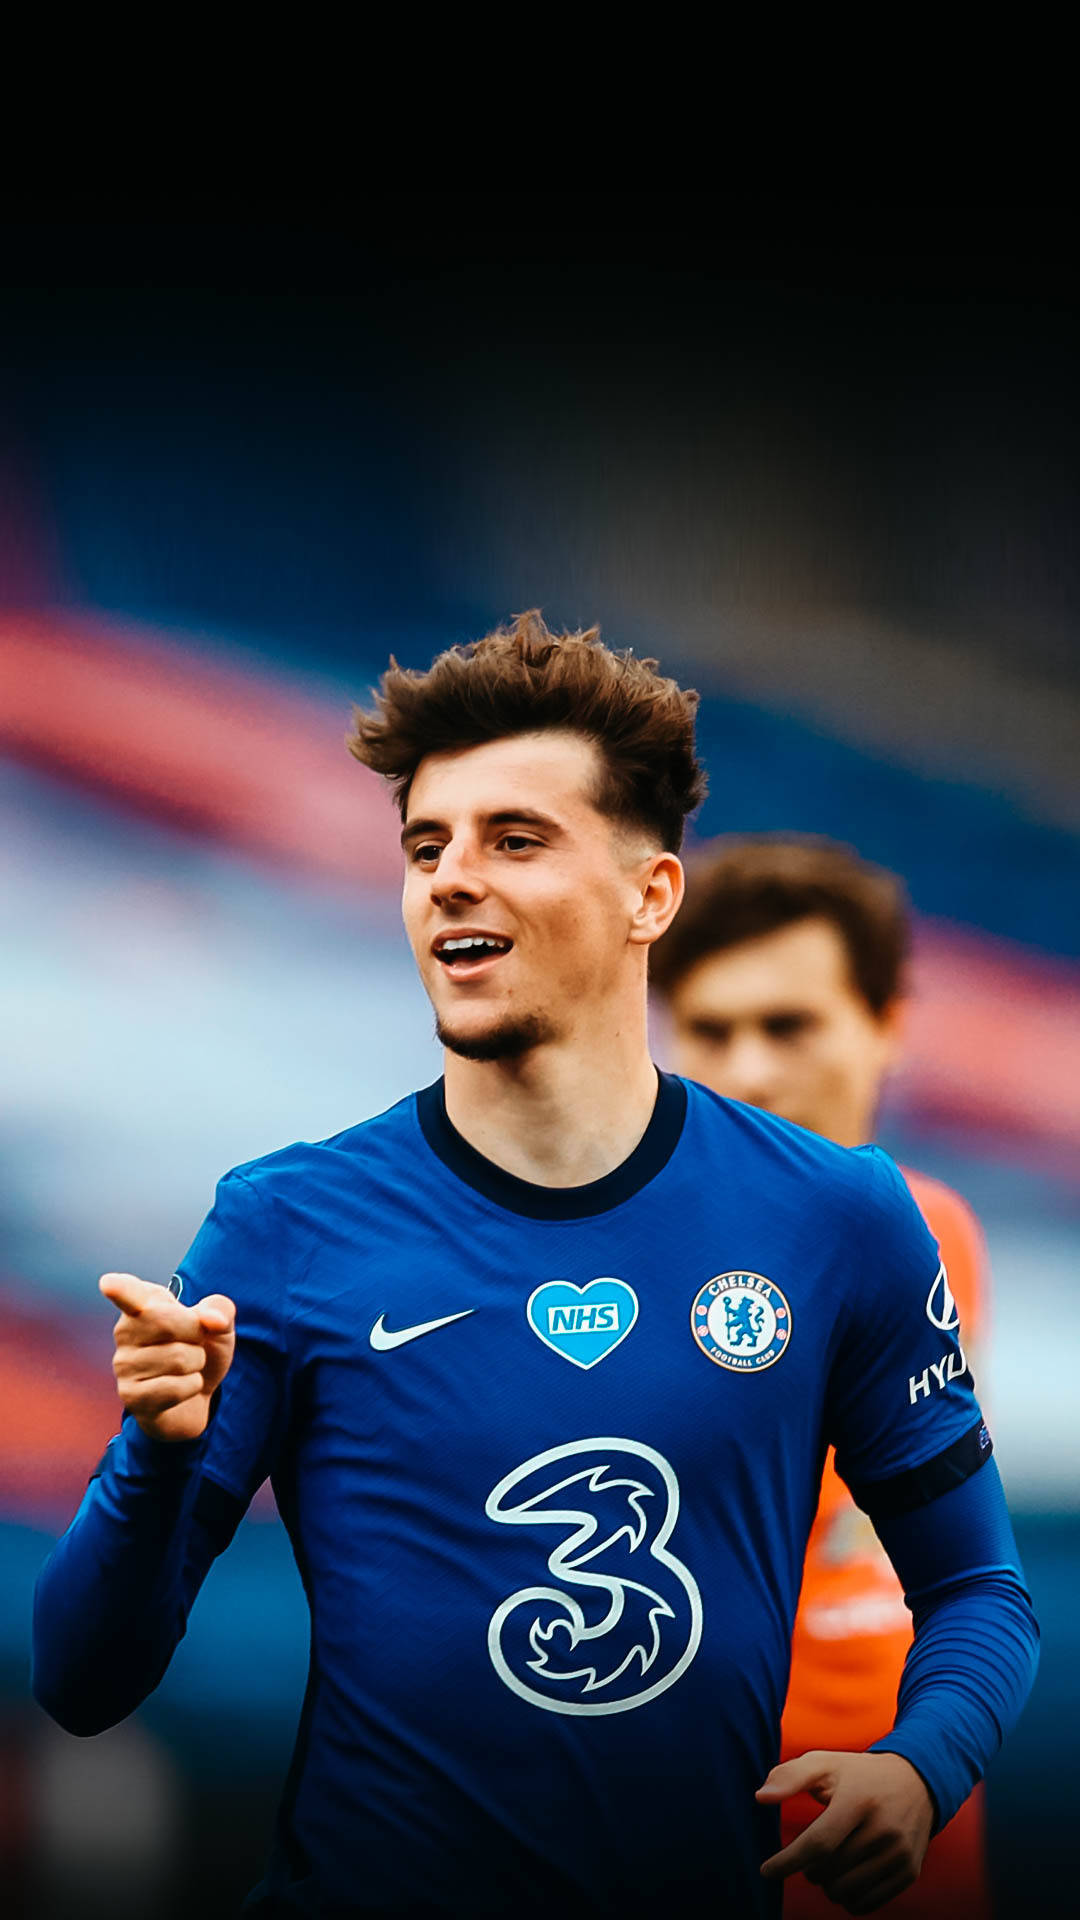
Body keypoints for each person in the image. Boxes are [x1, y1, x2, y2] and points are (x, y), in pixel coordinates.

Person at [33, 614, 1037, 1920]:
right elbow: (81, 1682)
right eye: (426, 847)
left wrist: (920, 1766)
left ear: (650, 897)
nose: (452, 879)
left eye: (515, 840)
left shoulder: (840, 1217)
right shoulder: (284, 1225)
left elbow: (978, 1592)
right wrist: (155, 1460)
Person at [649, 835, 994, 1916]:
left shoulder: (937, 1230)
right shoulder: (612, 1273)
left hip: (919, 1856)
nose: (750, 1071)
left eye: (788, 1026)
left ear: (887, 1023)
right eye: (711, 1031)